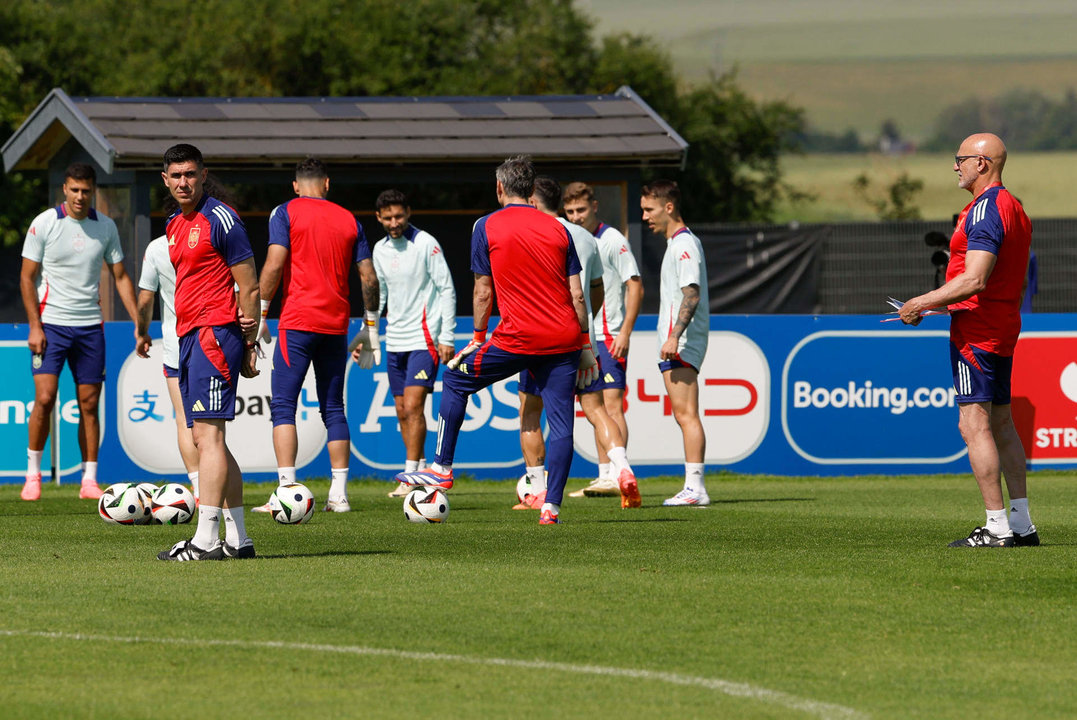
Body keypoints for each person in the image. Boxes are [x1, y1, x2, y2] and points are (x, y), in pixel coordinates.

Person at [394, 156, 597, 525]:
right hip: (564, 338)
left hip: (518, 337)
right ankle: (550, 508)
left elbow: (483, 290)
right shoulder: (559, 229)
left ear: (500, 187)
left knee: (455, 379)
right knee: (563, 423)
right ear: (532, 189)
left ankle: (441, 468)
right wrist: (585, 344)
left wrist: (476, 338)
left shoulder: (486, 225)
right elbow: (578, 294)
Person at [899, 132, 1037, 548]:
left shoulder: (986, 209)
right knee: (1002, 424)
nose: (955, 166)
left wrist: (921, 302)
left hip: (977, 333)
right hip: (999, 326)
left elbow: (975, 278)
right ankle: (1021, 524)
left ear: (982, 163)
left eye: (960, 159)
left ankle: (996, 528)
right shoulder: (1013, 207)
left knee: (973, 424)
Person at [250, 157, 380, 514]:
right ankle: (338, 496)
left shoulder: (285, 212)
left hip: (297, 322)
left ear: (295, 186)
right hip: (335, 326)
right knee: (334, 408)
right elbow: (369, 278)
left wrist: (260, 313)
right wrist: (371, 330)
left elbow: (275, 264)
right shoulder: (349, 219)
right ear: (326, 184)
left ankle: (286, 492)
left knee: (283, 407)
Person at [156, 143, 260, 561]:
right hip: (189, 336)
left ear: (203, 175)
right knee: (207, 437)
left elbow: (248, 284)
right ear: (165, 180)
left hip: (214, 334)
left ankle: (205, 541)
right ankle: (239, 540)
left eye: (190, 174)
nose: (183, 182)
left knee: (208, 437)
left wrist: (249, 345)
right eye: (175, 175)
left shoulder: (222, 217)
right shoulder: (173, 224)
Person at [515, 176, 640, 510]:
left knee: (531, 413)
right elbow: (595, 289)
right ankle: (622, 468)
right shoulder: (586, 237)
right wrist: (585, 329)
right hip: (584, 339)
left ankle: (539, 491)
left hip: (540, 339)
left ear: (532, 202)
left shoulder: (532, 234)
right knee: (597, 410)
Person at [19, 162, 139, 502]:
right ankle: (33, 475)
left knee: (89, 404)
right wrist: (34, 325)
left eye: (86, 190)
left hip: (90, 328)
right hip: (51, 326)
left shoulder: (106, 227)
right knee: (44, 398)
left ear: (93, 192)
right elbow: (27, 277)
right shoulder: (44, 223)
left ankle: (89, 480)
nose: (80, 196)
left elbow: (120, 276)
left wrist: (138, 324)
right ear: (65, 190)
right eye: (74, 189)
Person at [372, 189, 456, 498]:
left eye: (399, 216)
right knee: (400, 410)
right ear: (379, 218)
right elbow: (379, 295)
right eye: (388, 217)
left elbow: (446, 289)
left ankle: (410, 477)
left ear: (408, 213)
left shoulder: (425, 243)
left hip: (424, 339)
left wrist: (446, 336)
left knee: (413, 406)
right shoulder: (379, 250)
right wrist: (367, 332)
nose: (394, 222)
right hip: (394, 340)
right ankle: (418, 468)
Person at [561, 182, 643, 498]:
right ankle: (605, 474)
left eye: (581, 210)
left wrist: (624, 333)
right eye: (569, 212)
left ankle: (618, 472)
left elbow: (634, 285)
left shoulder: (611, 240)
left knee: (610, 405)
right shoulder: (572, 241)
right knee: (593, 406)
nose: (576, 216)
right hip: (583, 335)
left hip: (609, 335)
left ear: (594, 206)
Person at [641, 180, 711, 506]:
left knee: (686, 414)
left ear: (668, 207)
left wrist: (674, 336)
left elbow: (691, 293)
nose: (645, 216)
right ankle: (694, 486)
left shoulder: (684, 245)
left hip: (679, 343)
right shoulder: (677, 244)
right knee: (683, 414)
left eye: (649, 209)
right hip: (676, 342)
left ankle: (695, 488)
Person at [134, 234, 200, 498]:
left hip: (176, 346)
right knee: (212, 426)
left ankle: (198, 489)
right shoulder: (215, 236)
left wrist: (142, 332)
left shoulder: (157, 247)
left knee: (185, 421)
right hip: (213, 343)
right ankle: (213, 489)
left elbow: (145, 300)